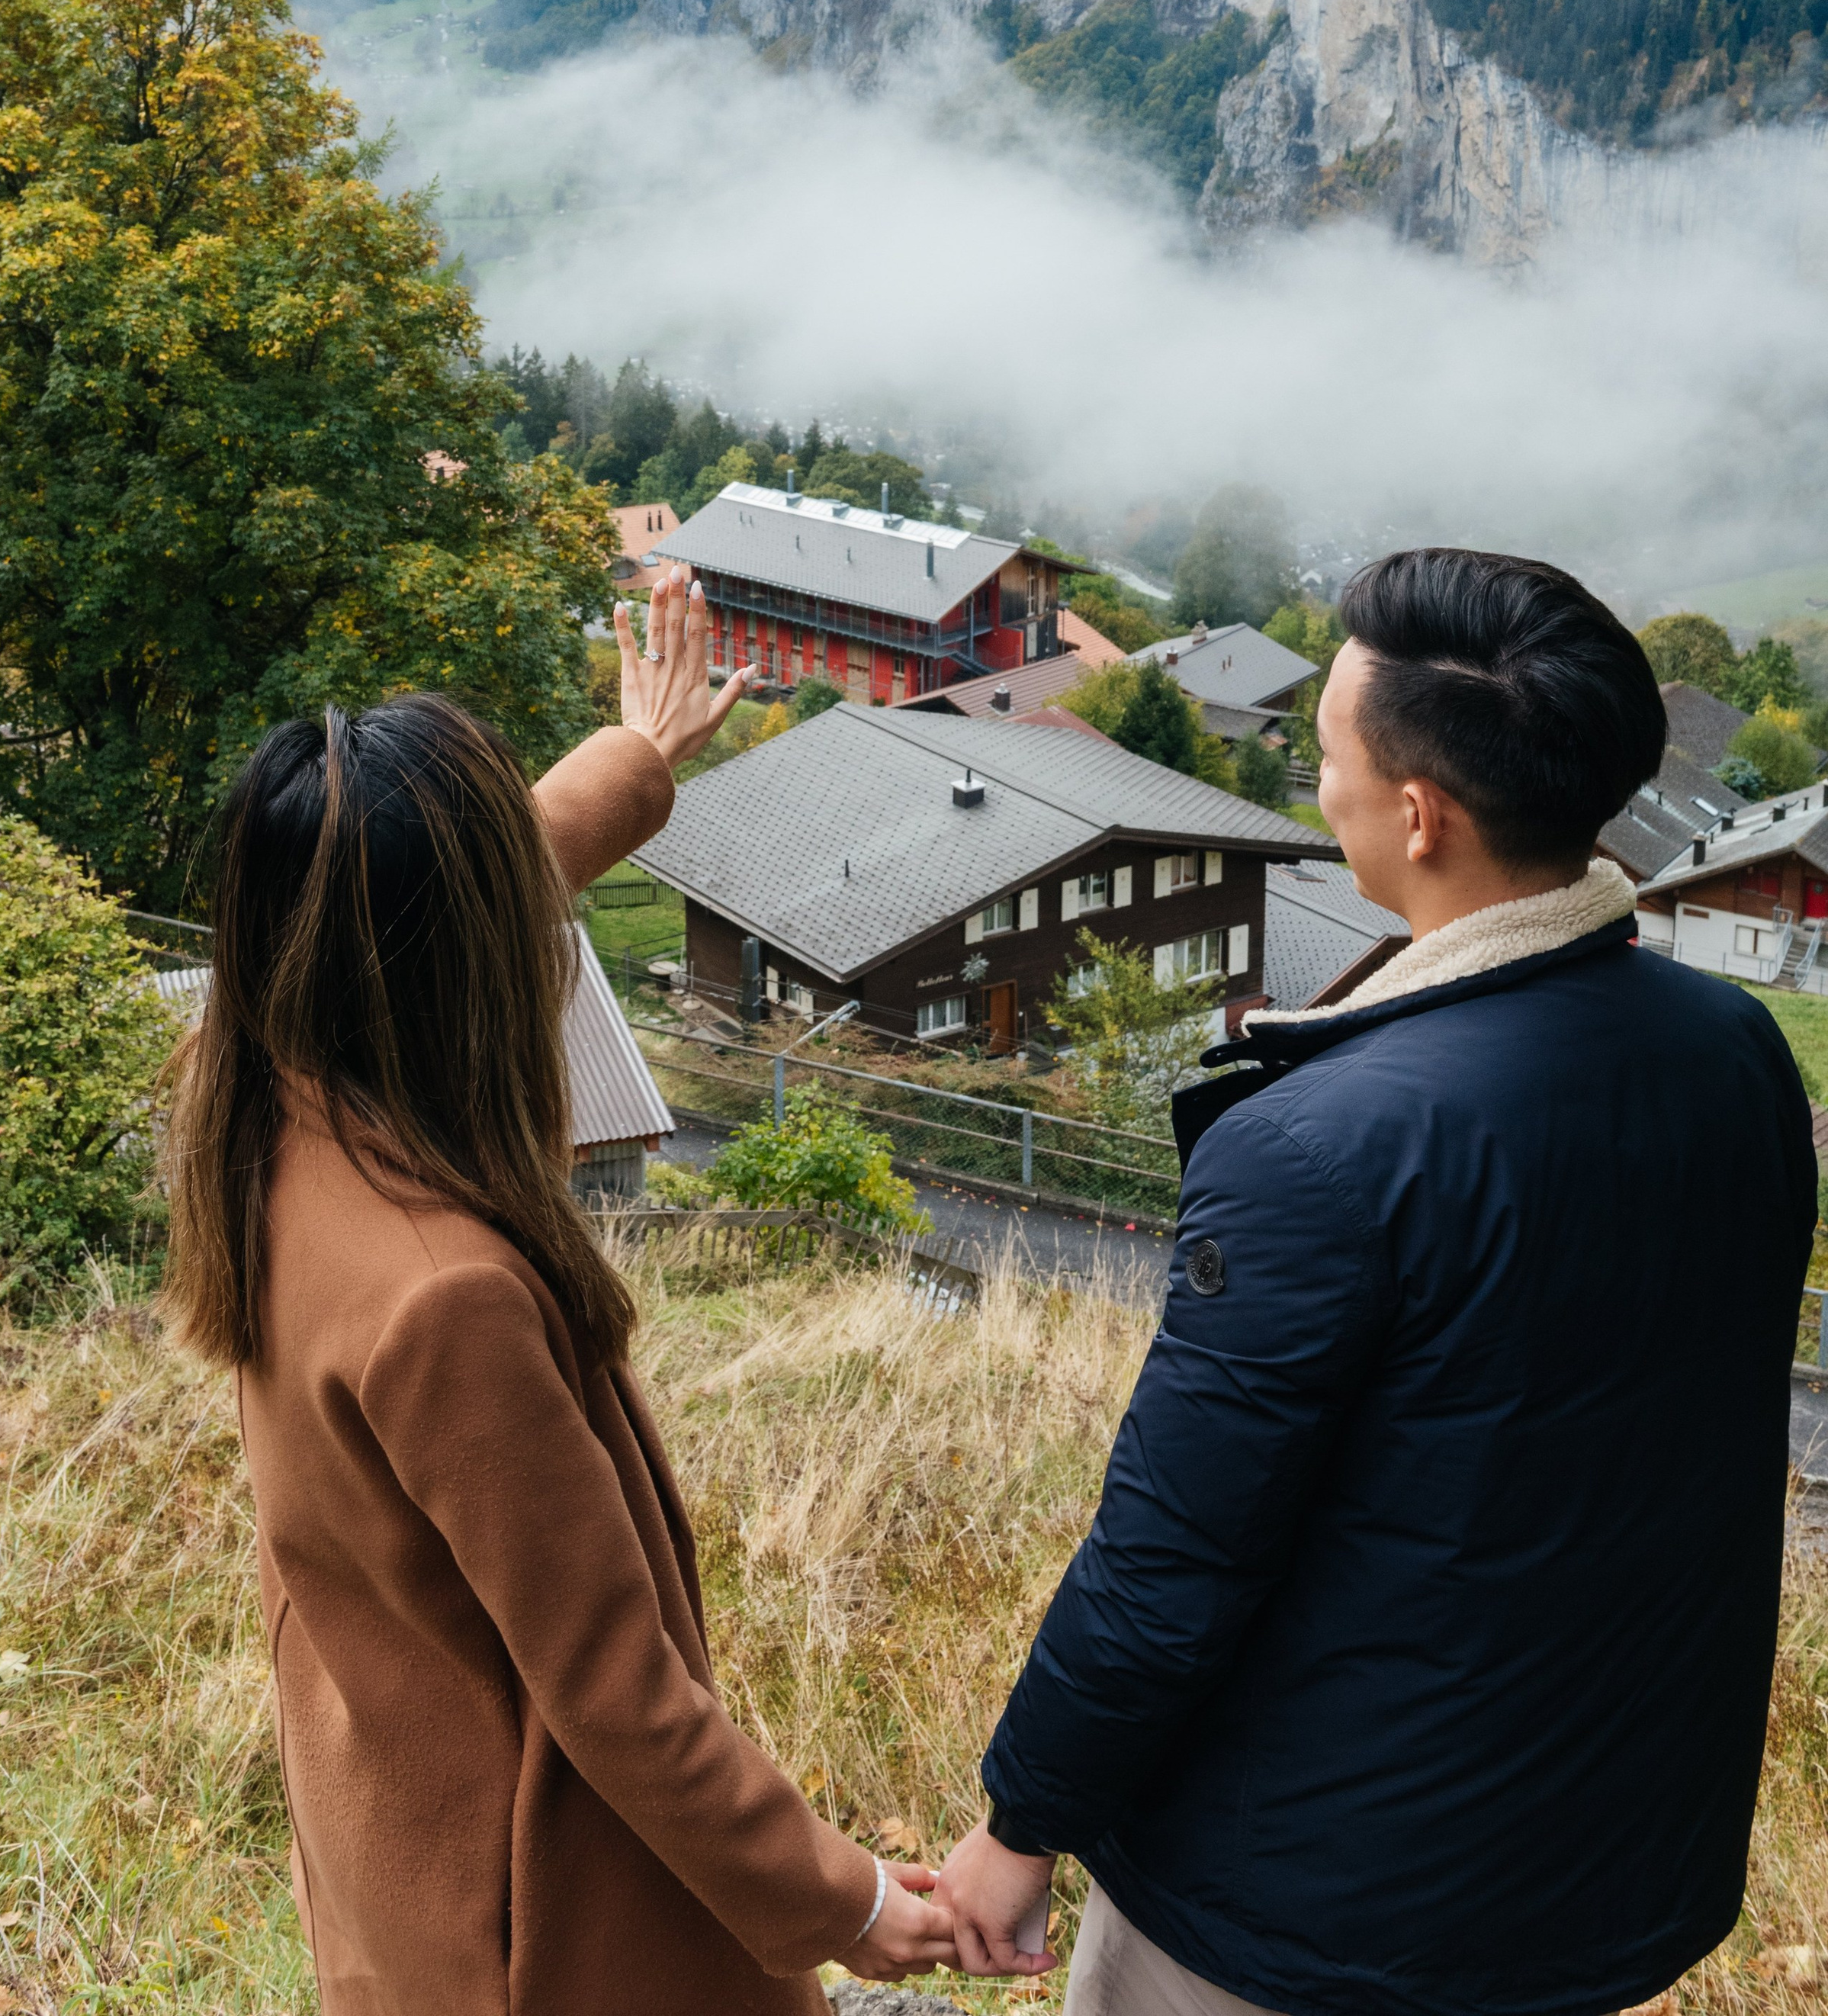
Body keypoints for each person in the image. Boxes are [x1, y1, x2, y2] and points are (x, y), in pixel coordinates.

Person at [938, 545, 1817, 2016]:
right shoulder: (1735, 1055)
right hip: (1604, 1863)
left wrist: (1018, 1828)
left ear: (1417, 815)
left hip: (1306, 1910)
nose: (1320, 786)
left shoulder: (1319, 1148)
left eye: (1329, 755)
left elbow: (1171, 1562)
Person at [163, 566, 956, 2015]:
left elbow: (467, 877)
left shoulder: (260, 1091)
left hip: (399, 1837)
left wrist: (639, 758)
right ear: (472, 962)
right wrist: (844, 1903)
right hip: (547, 1925)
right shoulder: (446, 1303)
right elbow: (616, 1694)